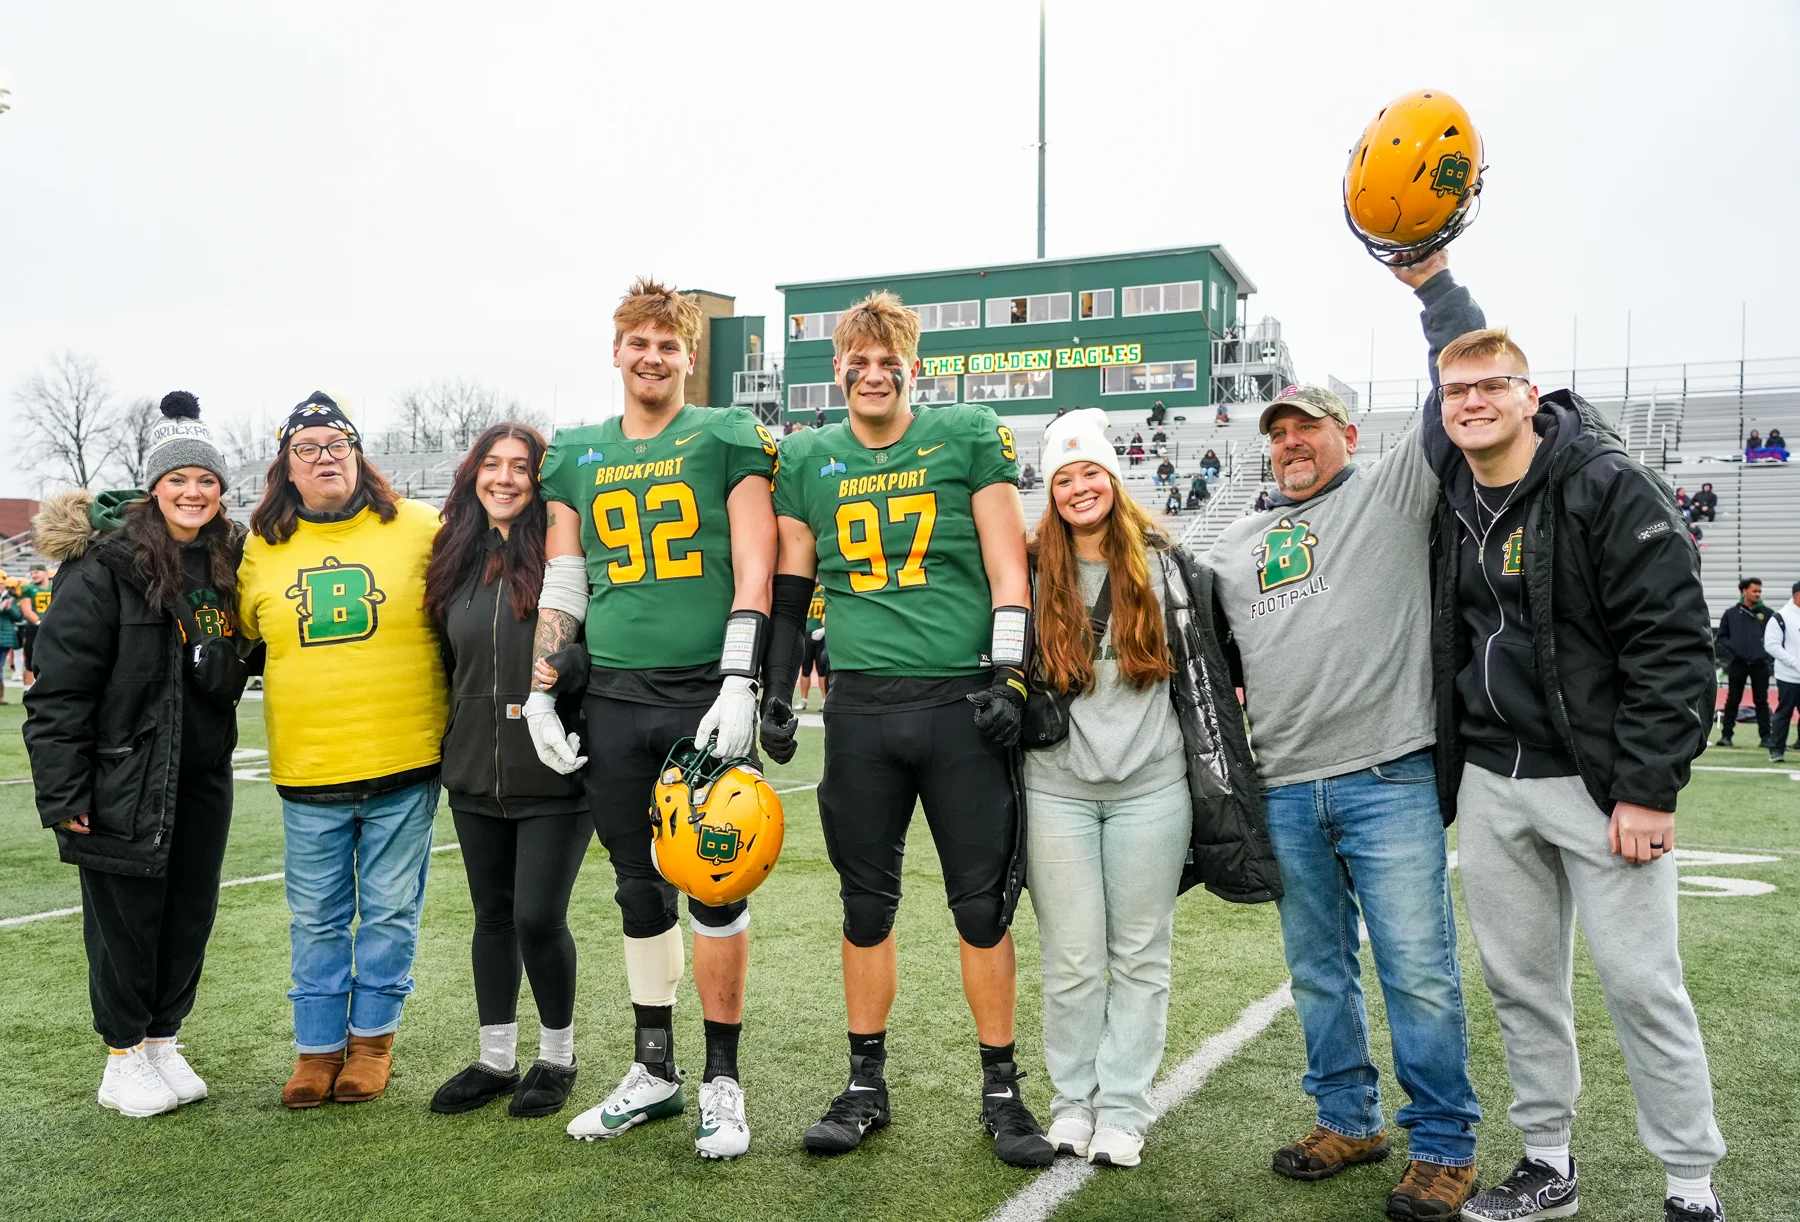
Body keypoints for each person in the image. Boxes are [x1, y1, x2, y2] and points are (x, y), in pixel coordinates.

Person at [1424, 327, 1727, 1222]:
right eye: (1454, 393)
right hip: (1489, 775)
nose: (1471, 402)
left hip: (1596, 782)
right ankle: (1547, 1163)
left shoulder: (1605, 481)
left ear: (1530, 395)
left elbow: (1673, 642)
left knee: (1641, 983)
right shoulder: (1452, 492)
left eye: (1490, 386)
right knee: (1520, 984)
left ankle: (1690, 1185)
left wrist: (1648, 786)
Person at [1206, 248, 1483, 1220]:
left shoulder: (1391, 492)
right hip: (1285, 786)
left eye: (1307, 427)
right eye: (1278, 431)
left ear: (1347, 434)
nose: (1289, 442)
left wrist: (1435, 285)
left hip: (1388, 774)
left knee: (1419, 970)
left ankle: (1444, 1143)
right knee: (1318, 971)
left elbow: (1463, 375)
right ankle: (1349, 1118)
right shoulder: (1235, 541)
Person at [760, 290, 1053, 1168]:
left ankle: (1002, 1089)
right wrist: (778, 689)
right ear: (838, 369)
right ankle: (864, 1085)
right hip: (860, 711)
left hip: (959, 707)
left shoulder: (965, 434)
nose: (874, 373)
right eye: (859, 360)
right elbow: (790, 585)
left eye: (890, 360)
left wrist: (1010, 671)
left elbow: (1011, 566)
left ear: (911, 367)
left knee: (980, 908)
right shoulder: (809, 457)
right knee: (863, 907)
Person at [526, 278, 777, 1159]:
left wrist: (741, 681)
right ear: (617, 349)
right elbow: (565, 581)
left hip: (701, 689)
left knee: (715, 882)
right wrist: (541, 688)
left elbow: (754, 568)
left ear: (689, 355)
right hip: (616, 697)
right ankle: (654, 1070)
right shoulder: (578, 455)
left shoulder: (722, 437)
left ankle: (722, 1079)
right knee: (638, 889)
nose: (652, 356)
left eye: (668, 344)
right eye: (638, 342)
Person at [1025, 409, 1278, 1169]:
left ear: (1114, 476)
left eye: (1091, 472)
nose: (1079, 488)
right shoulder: (1031, 564)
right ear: (1051, 490)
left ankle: (1125, 1109)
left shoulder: (1168, 565)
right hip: (1056, 788)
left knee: (1140, 953)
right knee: (1071, 958)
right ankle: (1071, 1103)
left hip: (1153, 788)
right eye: (1064, 478)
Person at [24, 391, 247, 1118]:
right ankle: (121, 1057)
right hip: (123, 774)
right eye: (179, 479)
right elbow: (58, 693)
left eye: (206, 480)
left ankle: (160, 1039)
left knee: (188, 914)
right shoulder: (102, 568)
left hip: (202, 775)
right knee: (126, 922)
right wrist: (65, 796)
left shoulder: (224, 564)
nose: (194, 491)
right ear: (155, 487)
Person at [239, 391, 448, 1109]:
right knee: (317, 918)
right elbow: (232, 634)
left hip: (403, 758)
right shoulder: (258, 547)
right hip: (310, 767)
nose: (324, 458)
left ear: (359, 457)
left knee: (390, 912)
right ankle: (316, 1049)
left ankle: (372, 1042)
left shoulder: (421, 526)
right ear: (286, 466)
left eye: (337, 446)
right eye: (308, 449)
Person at [422, 423, 592, 1119]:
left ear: (539, 480)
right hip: (471, 772)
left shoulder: (564, 553)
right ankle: (496, 1057)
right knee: (492, 917)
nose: (505, 478)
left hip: (552, 770)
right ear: (473, 475)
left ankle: (558, 1057)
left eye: (521, 467)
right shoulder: (452, 558)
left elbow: (596, 648)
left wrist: (570, 667)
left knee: (536, 916)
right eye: (492, 464)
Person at [1715, 578, 1775, 748]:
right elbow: (1722, 636)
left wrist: (1764, 655)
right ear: (1744, 591)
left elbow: (1774, 637)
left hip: (1760, 664)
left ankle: (1766, 737)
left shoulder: (1768, 613)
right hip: (1737, 663)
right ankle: (1726, 736)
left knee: (1761, 701)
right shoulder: (1731, 613)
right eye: (1755, 591)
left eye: (1759, 591)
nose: (1758, 594)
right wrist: (1735, 649)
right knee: (1733, 699)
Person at [1766, 580, 1800, 763]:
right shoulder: (1781, 617)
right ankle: (1776, 749)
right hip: (1789, 677)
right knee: (1784, 713)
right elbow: (1772, 646)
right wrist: (1795, 663)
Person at [796, 582, 829, 711]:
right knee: (805, 668)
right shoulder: (804, 591)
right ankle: (804, 699)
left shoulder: (824, 592)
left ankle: (824, 699)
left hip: (820, 633)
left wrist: (824, 629)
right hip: (806, 633)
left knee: (822, 669)